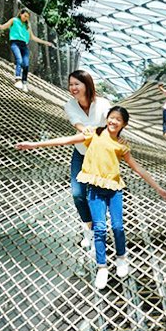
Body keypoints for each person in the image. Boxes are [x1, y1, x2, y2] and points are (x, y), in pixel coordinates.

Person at [16, 106, 166, 289]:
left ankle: (121, 258)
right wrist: (34, 145)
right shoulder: (93, 134)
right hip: (95, 190)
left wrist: (158, 189)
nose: (113, 122)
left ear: (124, 124)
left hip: (114, 190)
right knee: (99, 228)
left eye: (118, 120)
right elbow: (67, 140)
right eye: (111, 118)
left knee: (118, 226)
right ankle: (102, 267)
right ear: (107, 118)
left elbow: (138, 168)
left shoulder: (121, 145)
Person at [63, 70, 112, 252]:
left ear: (87, 84)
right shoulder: (69, 105)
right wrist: (85, 130)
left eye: (77, 84)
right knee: (77, 193)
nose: (73, 88)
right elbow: (77, 123)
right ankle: (88, 229)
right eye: (71, 84)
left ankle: (99, 231)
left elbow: (111, 120)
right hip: (81, 152)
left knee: (98, 195)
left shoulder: (102, 104)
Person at [0, 9, 53, 93]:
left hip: (24, 45)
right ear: (21, 14)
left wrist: (45, 42)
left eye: (27, 17)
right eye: (25, 16)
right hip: (15, 43)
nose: (26, 18)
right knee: (19, 59)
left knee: (26, 64)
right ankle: (17, 79)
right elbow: (2, 27)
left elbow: (33, 37)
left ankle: (24, 82)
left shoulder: (27, 26)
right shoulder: (14, 20)